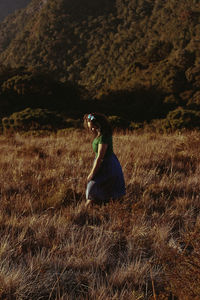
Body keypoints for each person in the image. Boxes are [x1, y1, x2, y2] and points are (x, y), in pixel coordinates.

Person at [84, 113, 126, 206]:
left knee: (93, 188)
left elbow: (100, 157)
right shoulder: (99, 135)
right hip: (103, 163)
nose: (91, 129)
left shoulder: (104, 136)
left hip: (108, 165)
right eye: (90, 127)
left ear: (99, 124)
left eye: (93, 127)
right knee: (96, 191)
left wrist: (92, 174)